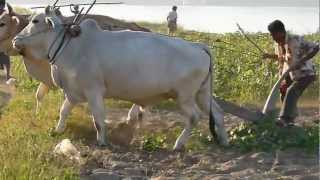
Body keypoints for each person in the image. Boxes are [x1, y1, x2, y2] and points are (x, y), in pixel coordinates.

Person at [262, 20, 319, 127]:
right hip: (293, 75)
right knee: (283, 90)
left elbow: (316, 47)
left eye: (273, 34)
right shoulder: (278, 44)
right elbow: (283, 58)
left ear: (281, 32)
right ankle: (291, 119)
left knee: (291, 91)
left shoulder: (295, 39)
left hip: (306, 74)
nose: (272, 37)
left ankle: (284, 119)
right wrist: (268, 56)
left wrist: (302, 60)